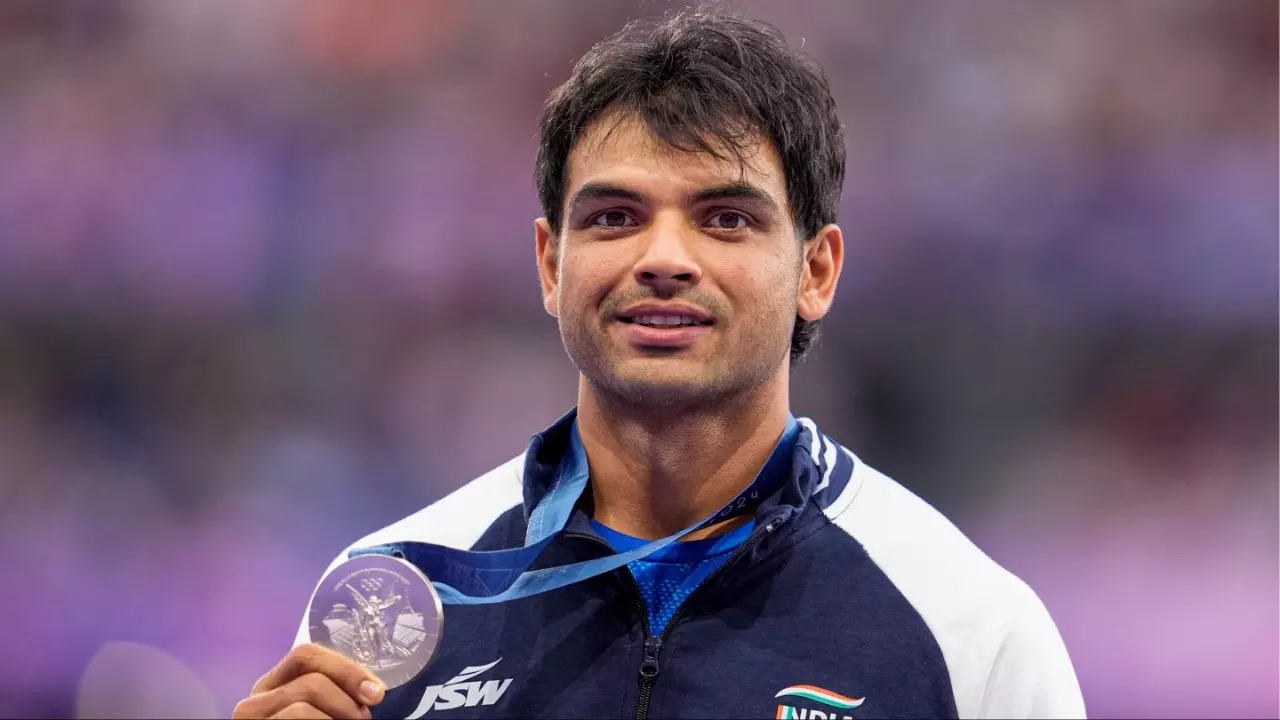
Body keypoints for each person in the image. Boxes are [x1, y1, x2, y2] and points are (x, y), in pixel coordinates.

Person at [233, 9, 1085, 720]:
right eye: (612, 217)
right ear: (550, 265)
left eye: (725, 219)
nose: (663, 258)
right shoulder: (393, 603)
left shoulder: (972, 631)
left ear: (815, 272)